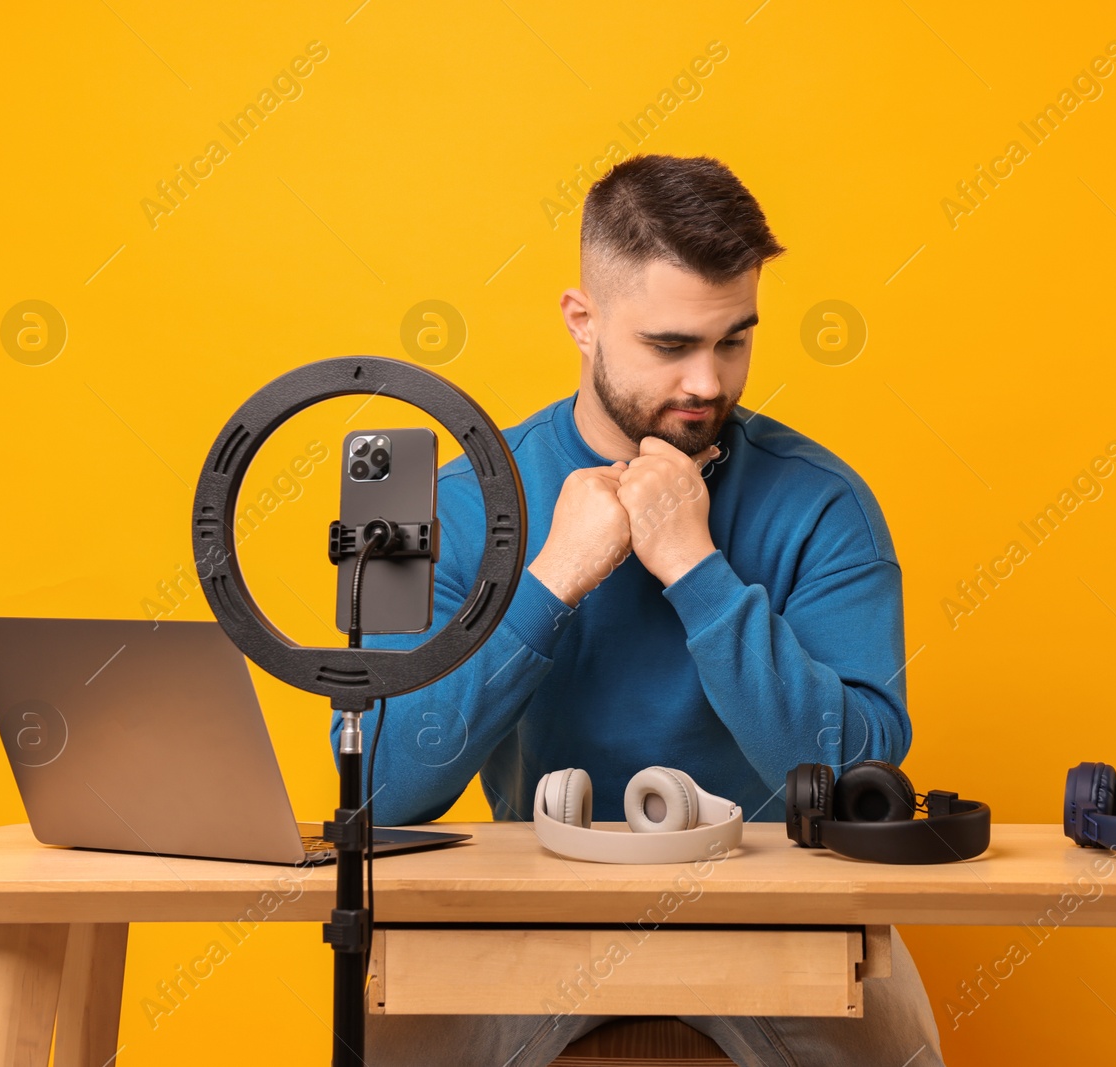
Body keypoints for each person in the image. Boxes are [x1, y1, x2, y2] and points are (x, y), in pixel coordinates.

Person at [332, 153, 944, 1066]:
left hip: (780, 923)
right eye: (671, 346)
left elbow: (861, 777)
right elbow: (378, 791)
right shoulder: (457, 503)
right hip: (525, 922)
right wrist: (550, 582)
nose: (708, 381)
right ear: (583, 322)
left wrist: (693, 566)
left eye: (734, 339)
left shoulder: (822, 503)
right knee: (380, 1031)